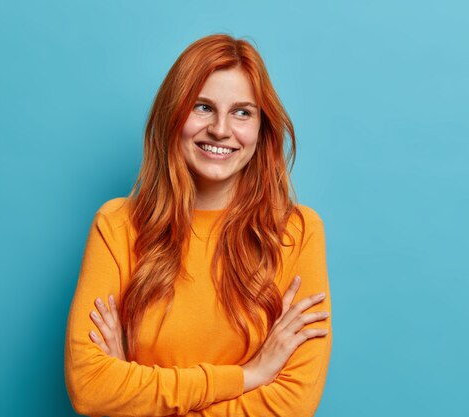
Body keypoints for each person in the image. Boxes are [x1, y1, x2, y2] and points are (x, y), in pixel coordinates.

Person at [64, 33, 332, 417]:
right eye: (202, 107)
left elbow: (291, 405)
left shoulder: (297, 232)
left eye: (242, 112)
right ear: (174, 115)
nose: (221, 129)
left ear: (262, 128)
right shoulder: (118, 225)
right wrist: (247, 376)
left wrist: (134, 393)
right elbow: (90, 389)